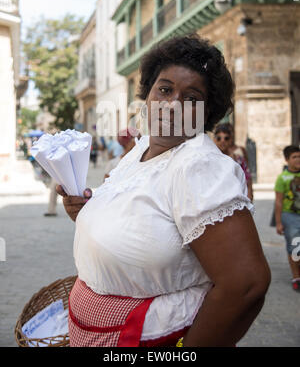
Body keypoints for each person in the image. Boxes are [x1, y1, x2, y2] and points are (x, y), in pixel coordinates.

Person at [57, 35, 270, 347]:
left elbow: (246, 285)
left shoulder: (199, 167)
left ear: (206, 112)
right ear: (148, 95)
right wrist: (86, 212)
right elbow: (143, 229)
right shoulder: (139, 150)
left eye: (191, 98)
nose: (172, 105)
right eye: (166, 89)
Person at [274, 145, 300, 291]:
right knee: (295, 247)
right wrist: (278, 222)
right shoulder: (282, 178)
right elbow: (278, 201)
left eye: (299, 156)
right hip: (290, 216)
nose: (298, 159)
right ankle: (296, 276)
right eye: (294, 157)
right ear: (287, 160)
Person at [214, 123, 253, 201]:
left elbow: (247, 178)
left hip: (237, 199)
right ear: (214, 140)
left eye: (226, 138)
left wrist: (249, 196)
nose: (222, 141)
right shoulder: (210, 159)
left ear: (230, 139)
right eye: (219, 138)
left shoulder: (238, 159)